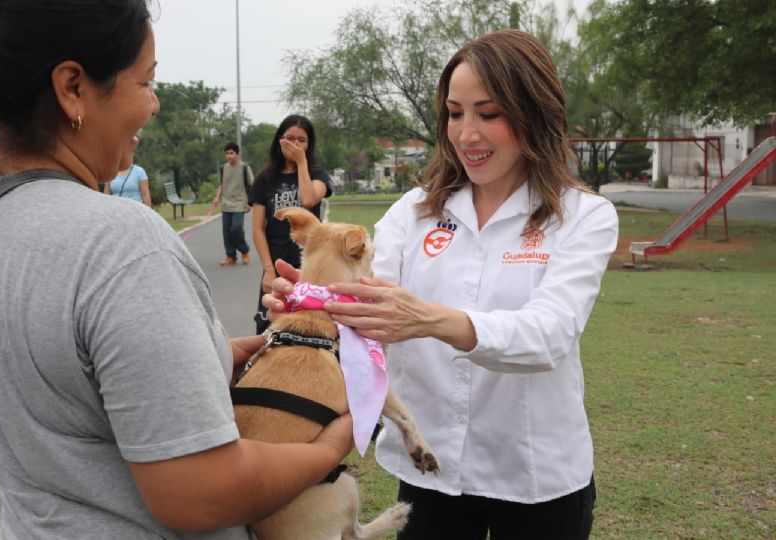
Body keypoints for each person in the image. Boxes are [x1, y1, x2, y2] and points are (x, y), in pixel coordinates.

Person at [0, 1, 352, 538]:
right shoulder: (122, 241)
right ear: (72, 88)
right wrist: (336, 440)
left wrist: (215, 356)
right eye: (146, 81)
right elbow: (201, 493)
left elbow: (75, 387)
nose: (154, 104)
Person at [264, 29, 618, 539]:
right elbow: (368, 298)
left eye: (489, 114)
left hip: (536, 474)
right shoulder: (415, 210)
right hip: (431, 474)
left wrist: (428, 319)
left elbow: (550, 334)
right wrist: (309, 302)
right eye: (455, 113)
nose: (466, 133)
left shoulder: (584, 216)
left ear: (534, 114)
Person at [250, 114, 332, 333]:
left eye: (302, 140)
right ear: (279, 140)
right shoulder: (264, 178)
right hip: (276, 264)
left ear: (309, 144)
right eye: (290, 138)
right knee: (270, 326)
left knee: (308, 327)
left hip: (310, 267)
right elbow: (258, 228)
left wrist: (301, 162)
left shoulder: (318, 174)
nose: (295, 144)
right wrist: (268, 269)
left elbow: (308, 200)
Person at [214, 142, 254, 266]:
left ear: (237, 154)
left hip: (240, 203)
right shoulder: (223, 168)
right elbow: (222, 184)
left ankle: (244, 250)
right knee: (226, 232)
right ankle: (230, 256)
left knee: (236, 228)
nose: (229, 156)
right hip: (226, 203)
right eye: (227, 153)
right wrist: (217, 197)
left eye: (231, 153)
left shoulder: (244, 168)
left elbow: (252, 185)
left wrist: (250, 203)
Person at [105, 136, 152, 206]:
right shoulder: (110, 172)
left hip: (136, 211)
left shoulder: (140, 172)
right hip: (116, 212)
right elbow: (106, 195)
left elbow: (145, 195)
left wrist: (148, 213)